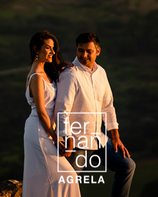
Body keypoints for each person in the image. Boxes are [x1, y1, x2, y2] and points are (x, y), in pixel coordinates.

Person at [54, 32, 135, 197]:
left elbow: (108, 106)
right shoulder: (70, 75)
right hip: (76, 142)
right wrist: (66, 138)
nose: (83, 55)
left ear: (98, 51)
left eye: (88, 51)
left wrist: (116, 137)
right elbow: (62, 110)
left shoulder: (101, 73)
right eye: (80, 50)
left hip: (98, 139)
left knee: (127, 165)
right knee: (67, 185)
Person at [23, 31, 80, 197]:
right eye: (48, 48)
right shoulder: (36, 77)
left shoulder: (45, 74)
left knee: (47, 178)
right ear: (36, 49)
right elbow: (41, 111)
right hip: (39, 131)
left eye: (53, 48)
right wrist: (56, 137)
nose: (52, 52)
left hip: (45, 130)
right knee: (68, 176)